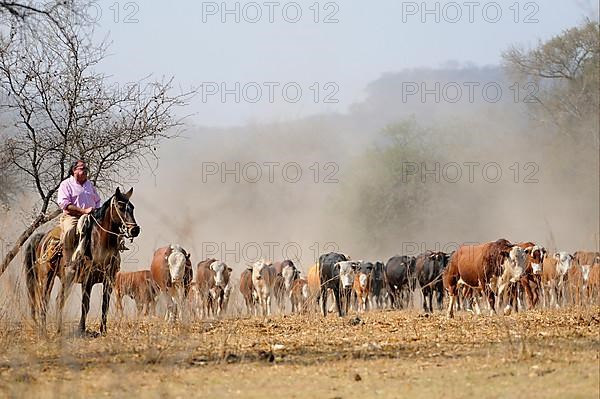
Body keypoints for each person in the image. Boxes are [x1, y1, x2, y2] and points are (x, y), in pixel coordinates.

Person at [57, 160, 101, 252]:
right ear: (74, 170)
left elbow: (97, 200)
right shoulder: (66, 184)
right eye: (82, 168)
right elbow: (64, 204)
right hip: (73, 217)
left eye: (86, 169)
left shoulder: (89, 184)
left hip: (92, 216)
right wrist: (83, 211)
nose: (85, 171)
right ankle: (68, 260)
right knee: (70, 230)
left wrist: (97, 211)